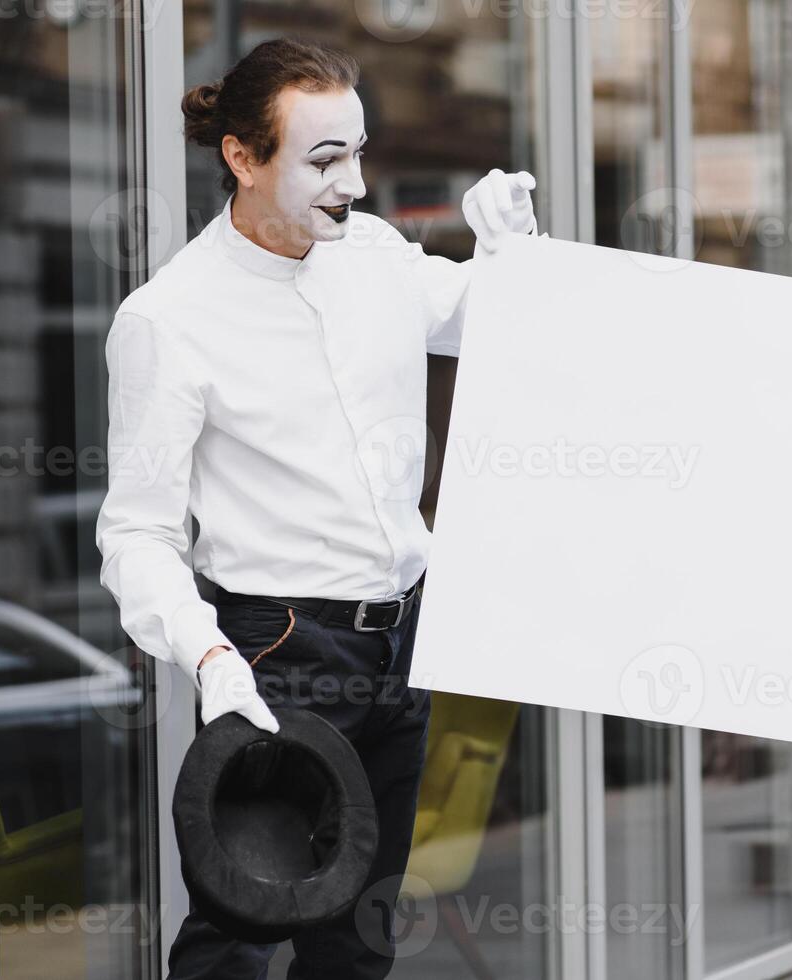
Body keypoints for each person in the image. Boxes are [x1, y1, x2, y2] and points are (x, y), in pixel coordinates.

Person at [94, 36, 537, 979]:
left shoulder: (375, 255)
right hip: (275, 653)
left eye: (360, 152)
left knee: (359, 941)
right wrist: (210, 657)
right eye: (325, 160)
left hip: (400, 644)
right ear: (243, 159)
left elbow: (498, 322)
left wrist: (510, 249)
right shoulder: (168, 320)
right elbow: (135, 533)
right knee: (239, 935)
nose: (355, 183)